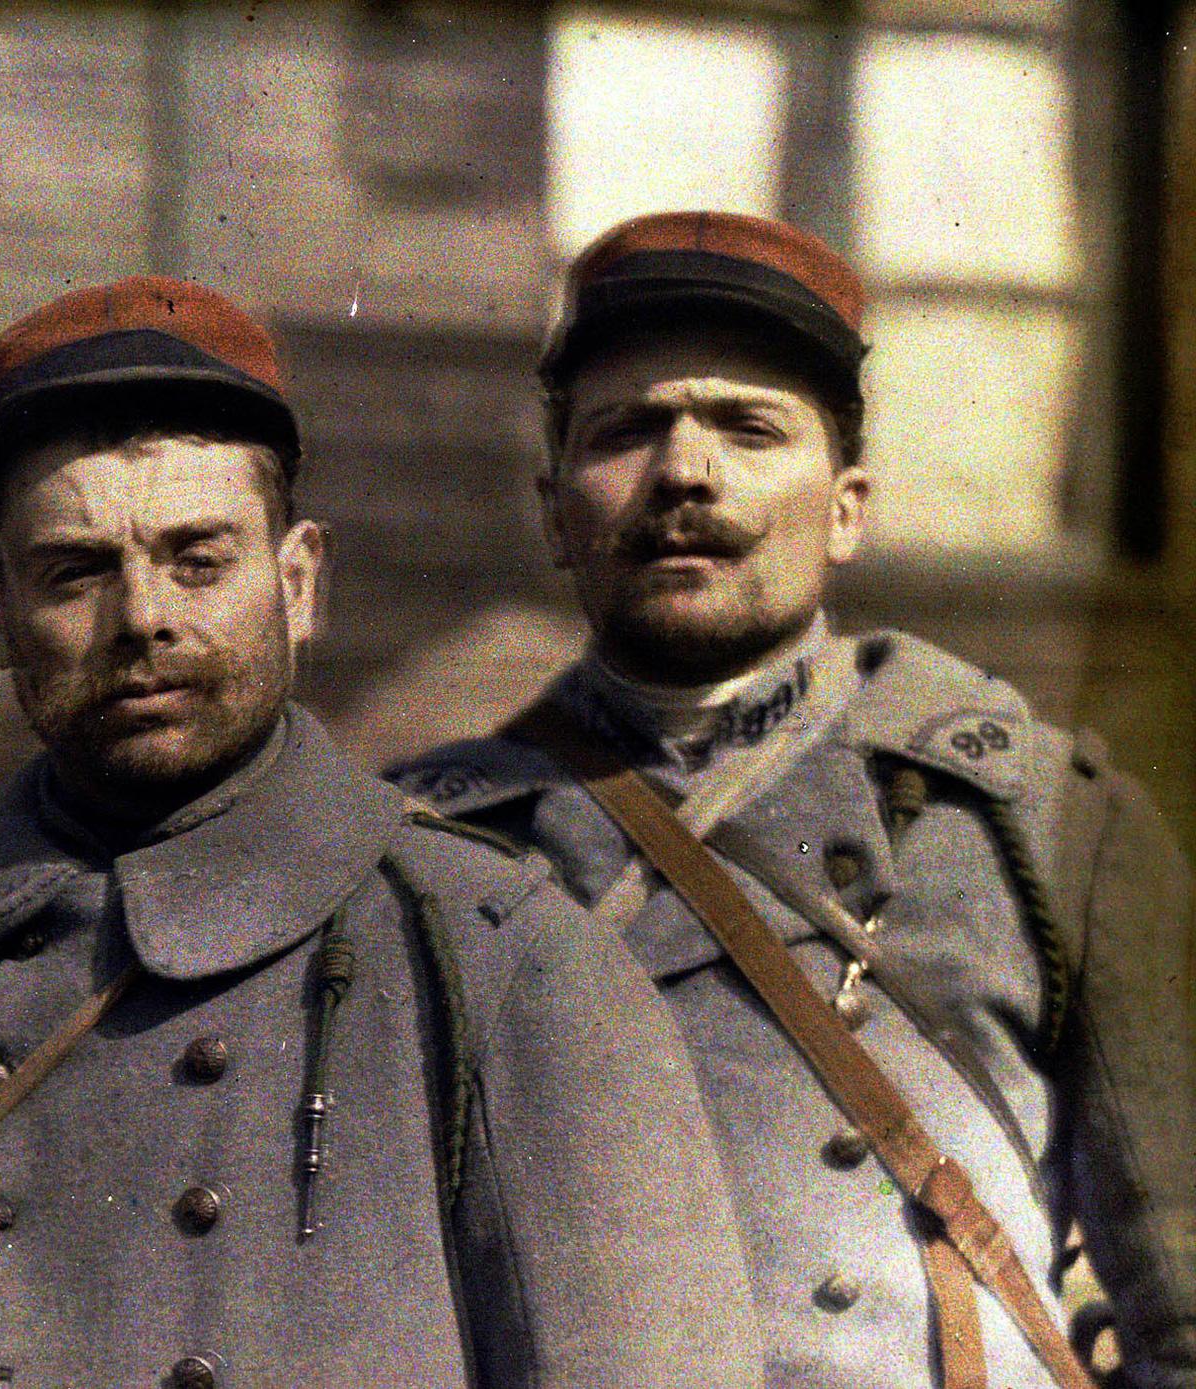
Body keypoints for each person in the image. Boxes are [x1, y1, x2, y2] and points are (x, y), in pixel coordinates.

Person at [0, 275, 766, 1389]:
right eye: (75, 571)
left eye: (199, 559)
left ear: (299, 579)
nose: (144, 620)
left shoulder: (504, 959)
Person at [389, 211, 1196, 1389]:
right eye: (627, 432)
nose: (684, 472)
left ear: (850, 507)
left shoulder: (1043, 819)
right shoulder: (422, 849)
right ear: (556, 512)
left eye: (749, 428)